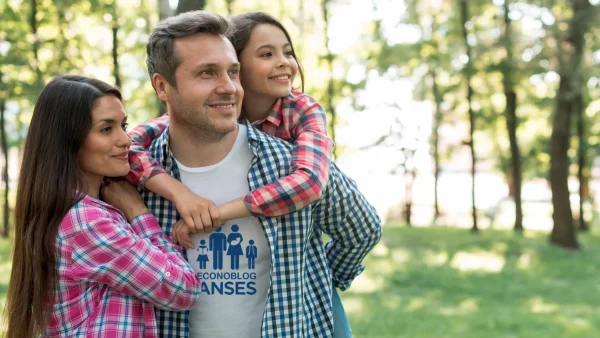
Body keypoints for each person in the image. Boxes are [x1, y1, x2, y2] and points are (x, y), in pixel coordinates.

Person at [131, 10, 381, 337]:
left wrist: (315, 282)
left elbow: (362, 230)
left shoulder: (293, 162)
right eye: (207, 73)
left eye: (232, 73)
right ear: (162, 87)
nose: (227, 88)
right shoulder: (131, 181)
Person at [4, 75, 201, 338]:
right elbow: (182, 290)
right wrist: (138, 212)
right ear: (68, 141)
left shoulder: (62, 210)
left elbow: (149, 131)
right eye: (106, 129)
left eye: (124, 125)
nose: (125, 140)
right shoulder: (87, 223)